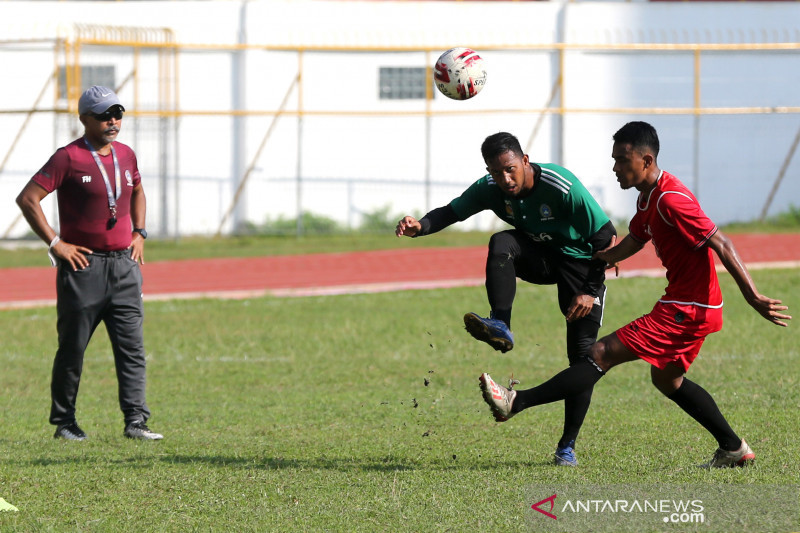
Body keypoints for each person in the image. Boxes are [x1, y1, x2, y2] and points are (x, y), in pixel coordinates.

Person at [479, 121, 791, 468]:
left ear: (645, 160)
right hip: (693, 305)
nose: (615, 168)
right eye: (613, 160)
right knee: (667, 379)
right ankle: (733, 448)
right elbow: (635, 239)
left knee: (600, 352)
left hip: (687, 307)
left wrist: (753, 297)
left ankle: (515, 401)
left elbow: (721, 241)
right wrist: (603, 258)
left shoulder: (672, 200)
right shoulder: (648, 197)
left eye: (622, 160)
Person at [396, 132, 617, 466]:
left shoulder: (562, 185)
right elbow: (452, 211)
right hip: (540, 259)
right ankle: (500, 323)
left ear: (525, 160)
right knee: (502, 242)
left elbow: (605, 235)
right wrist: (421, 226)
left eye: (511, 169)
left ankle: (566, 446)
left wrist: (589, 289)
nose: (505, 178)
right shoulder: (490, 186)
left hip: (583, 266)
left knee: (583, 358)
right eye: (496, 172)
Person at [15, 86, 163, 441]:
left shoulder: (127, 155)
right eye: (103, 115)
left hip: (125, 267)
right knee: (72, 348)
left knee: (132, 349)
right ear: (84, 119)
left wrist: (140, 231)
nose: (112, 121)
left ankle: (136, 422)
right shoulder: (68, 157)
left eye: (117, 113)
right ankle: (65, 423)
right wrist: (56, 243)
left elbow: (138, 190)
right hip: (83, 268)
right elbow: (28, 198)